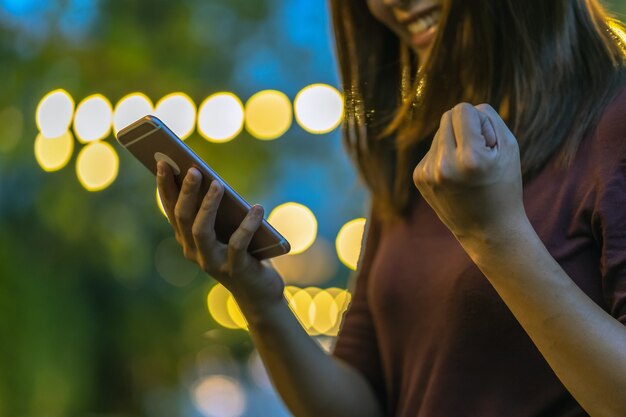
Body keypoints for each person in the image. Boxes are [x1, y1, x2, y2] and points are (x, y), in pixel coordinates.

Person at [156, 0, 626, 415]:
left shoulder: (613, 121)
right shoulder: (421, 158)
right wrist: (258, 298)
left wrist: (494, 235)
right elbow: (364, 402)